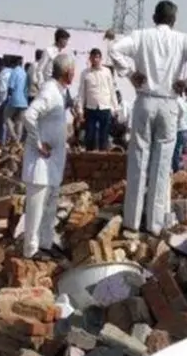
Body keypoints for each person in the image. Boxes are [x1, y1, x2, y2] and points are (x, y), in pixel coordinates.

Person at [108, 0, 187, 236]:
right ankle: (154, 224)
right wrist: (186, 83)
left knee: (138, 161)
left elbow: (113, 49)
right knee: (162, 164)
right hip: (168, 103)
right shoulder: (182, 40)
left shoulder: (141, 36)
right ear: (174, 21)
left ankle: (132, 221)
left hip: (145, 100)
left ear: (155, 18)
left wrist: (130, 73)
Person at [22, 53, 75, 259]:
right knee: (36, 207)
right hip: (41, 161)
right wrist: (37, 142)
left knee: (50, 205)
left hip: (53, 161)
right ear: (68, 72)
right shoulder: (50, 91)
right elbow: (29, 115)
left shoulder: (60, 92)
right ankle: (31, 249)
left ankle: (45, 242)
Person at [77, 48, 118, 151]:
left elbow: (112, 90)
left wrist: (115, 108)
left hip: (105, 107)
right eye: (93, 57)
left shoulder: (107, 72)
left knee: (103, 137)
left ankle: (102, 161)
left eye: (97, 57)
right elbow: (81, 92)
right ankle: (89, 161)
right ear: (90, 58)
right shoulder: (85, 73)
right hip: (91, 108)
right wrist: (80, 110)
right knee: (89, 136)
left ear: (100, 59)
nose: (95, 60)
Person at [6, 56, 29, 143]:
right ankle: (17, 141)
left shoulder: (14, 71)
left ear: (14, 63)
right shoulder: (24, 73)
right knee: (20, 121)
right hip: (24, 100)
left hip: (15, 99)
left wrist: (9, 97)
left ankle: (14, 136)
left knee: (6, 117)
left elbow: (11, 87)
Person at [173, 87, 187, 171]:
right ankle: (179, 166)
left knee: (175, 150)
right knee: (180, 151)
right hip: (186, 129)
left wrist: (177, 120)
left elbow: (181, 113)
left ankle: (176, 169)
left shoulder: (178, 101)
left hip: (180, 129)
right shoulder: (186, 103)